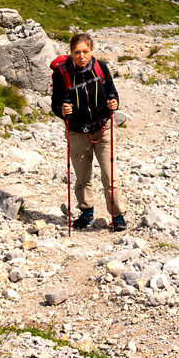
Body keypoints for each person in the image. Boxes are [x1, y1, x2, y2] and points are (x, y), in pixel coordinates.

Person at [51, 31, 126, 231]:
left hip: (103, 128)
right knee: (82, 175)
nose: (81, 56)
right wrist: (62, 111)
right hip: (77, 131)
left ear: (92, 51)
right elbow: (55, 104)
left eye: (85, 51)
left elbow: (113, 93)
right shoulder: (62, 73)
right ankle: (86, 212)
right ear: (71, 53)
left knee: (110, 175)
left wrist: (114, 103)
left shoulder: (101, 68)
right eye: (77, 52)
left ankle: (117, 215)